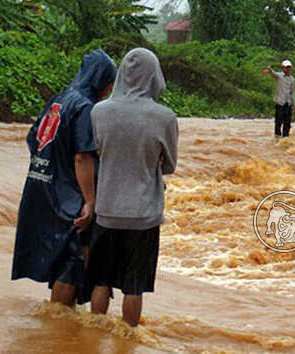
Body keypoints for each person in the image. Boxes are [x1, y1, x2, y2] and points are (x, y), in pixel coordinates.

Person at [12, 50, 117, 306]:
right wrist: (90, 201)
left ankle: (60, 327)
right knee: (72, 260)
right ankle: (59, 325)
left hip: (42, 186)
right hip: (67, 194)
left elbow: (32, 139)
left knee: (59, 256)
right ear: (101, 80)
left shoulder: (59, 100)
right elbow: (82, 157)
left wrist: (52, 167)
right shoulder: (85, 107)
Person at [89, 48, 178, 327]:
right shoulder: (164, 117)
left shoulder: (99, 112)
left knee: (101, 280)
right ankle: (128, 341)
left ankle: (94, 336)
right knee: (134, 286)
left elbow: (98, 151)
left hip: (106, 209)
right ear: (154, 76)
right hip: (143, 214)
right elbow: (169, 165)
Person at [266, 60, 295, 138]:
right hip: (280, 102)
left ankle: (286, 136)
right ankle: (277, 136)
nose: (287, 69)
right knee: (278, 121)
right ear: (282, 68)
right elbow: (273, 73)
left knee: (287, 122)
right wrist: (270, 69)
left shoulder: (292, 79)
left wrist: (294, 103)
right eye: (286, 67)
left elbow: (292, 92)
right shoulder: (279, 76)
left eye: (289, 67)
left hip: (288, 103)